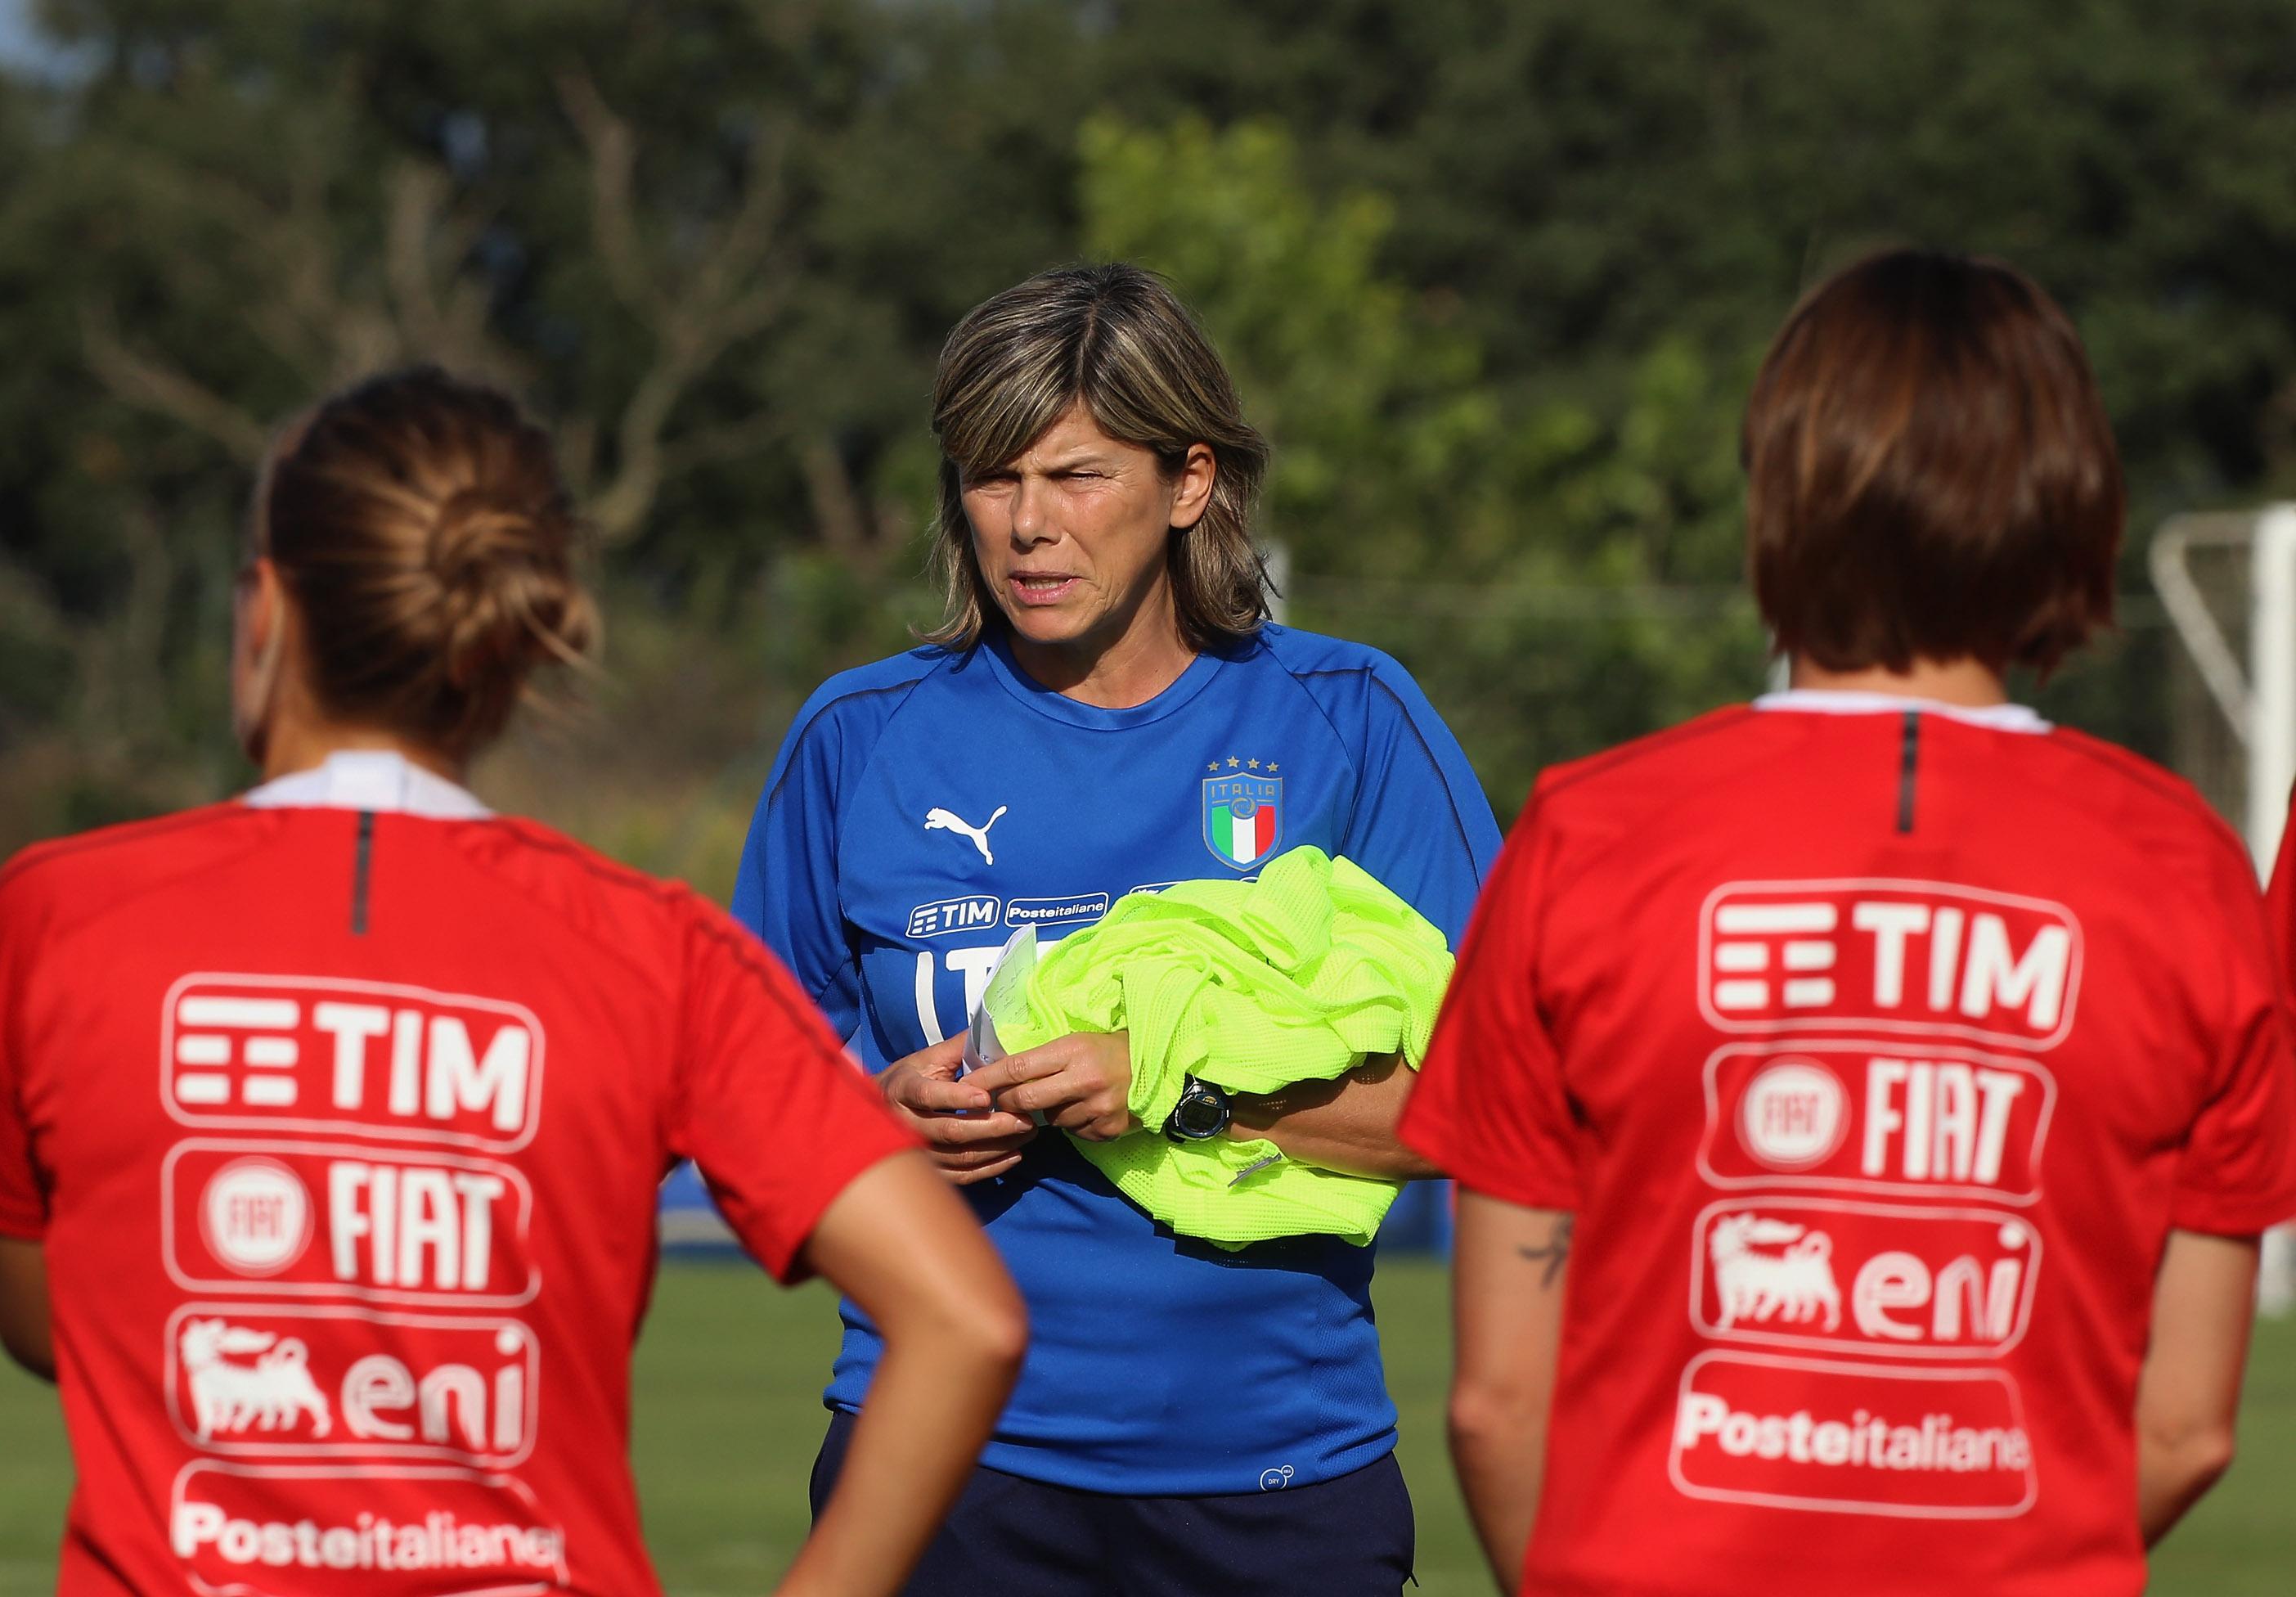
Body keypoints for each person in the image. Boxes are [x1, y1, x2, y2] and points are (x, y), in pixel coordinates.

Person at [0, 367, 1024, 1597]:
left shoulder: (57, 914)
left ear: (264, 611)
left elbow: (44, 1315)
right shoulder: (656, 951)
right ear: (517, 646)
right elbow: (965, 1321)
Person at [1398, 249, 2296, 1596]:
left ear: (1780, 493)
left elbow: (1496, 1405)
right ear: (2074, 506)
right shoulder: (2187, 871)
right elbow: (2182, 1429)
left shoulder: (1587, 835)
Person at [734, 263, 1501, 1595]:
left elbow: (1500, 1105)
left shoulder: (1350, 719)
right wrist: (871, 1120)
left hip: (1276, 1479)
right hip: (941, 1472)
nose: (1030, 525)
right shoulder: (859, 737)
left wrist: (1179, 1090)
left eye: (1077, 476)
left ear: (1189, 482)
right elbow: (745, 1102)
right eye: (993, 479)